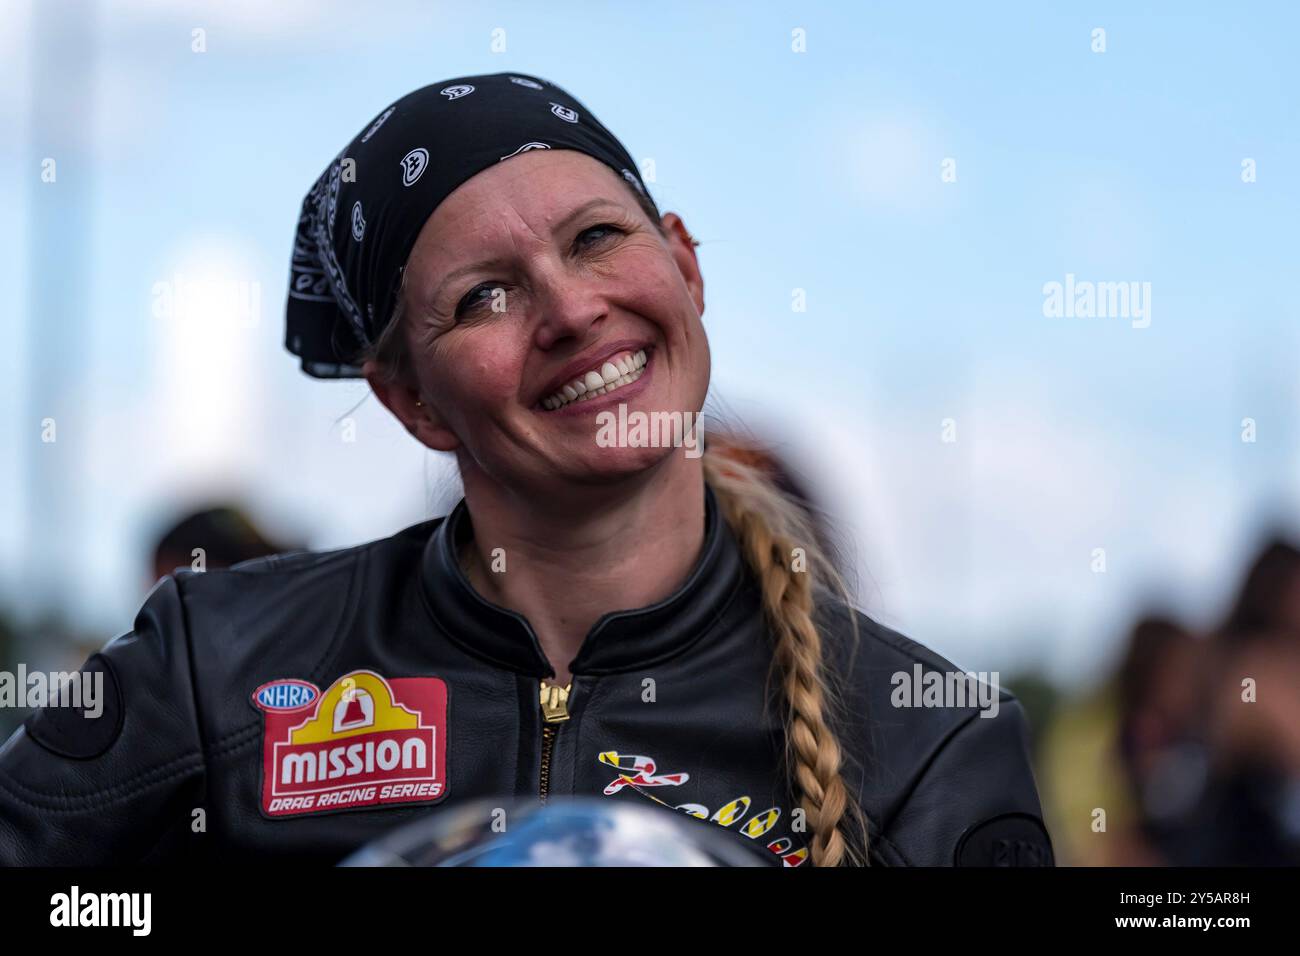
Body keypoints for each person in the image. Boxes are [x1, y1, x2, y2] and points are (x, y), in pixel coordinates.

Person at [0, 72, 1051, 866]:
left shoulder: (929, 732)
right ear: (410, 400)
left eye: (596, 238)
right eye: (483, 296)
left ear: (683, 264)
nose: (570, 308)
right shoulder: (208, 661)